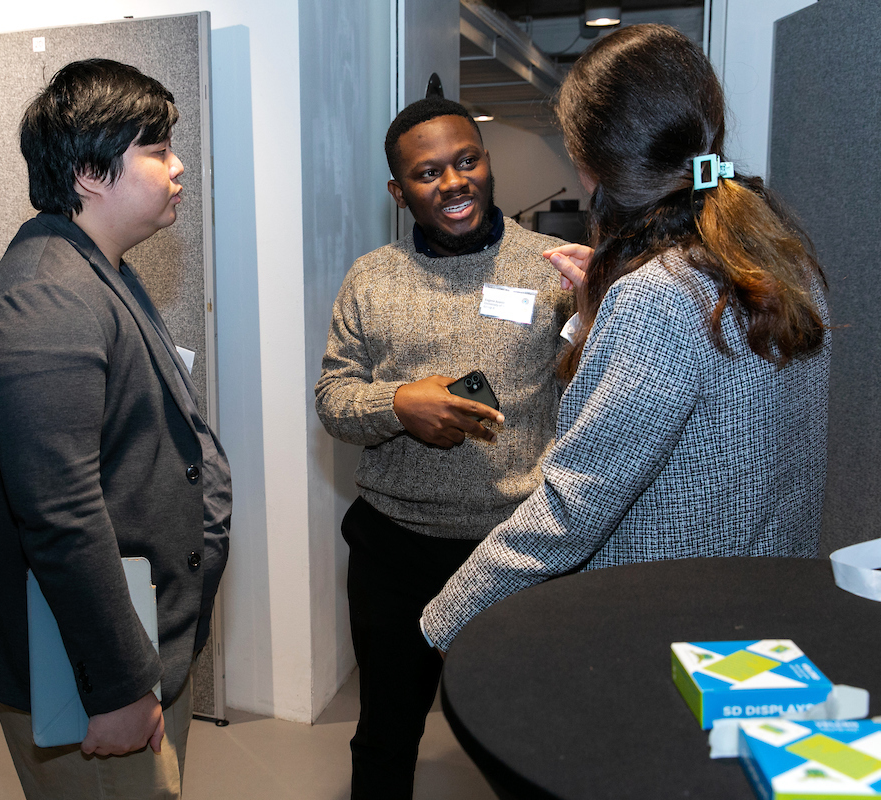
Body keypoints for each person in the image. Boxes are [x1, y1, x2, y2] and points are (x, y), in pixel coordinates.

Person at [422, 24, 830, 651]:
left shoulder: (655, 296)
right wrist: (603, 308)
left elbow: (572, 505)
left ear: (592, 167)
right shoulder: (781, 259)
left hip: (671, 629)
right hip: (767, 605)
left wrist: (442, 617)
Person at [0, 59, 230, 799]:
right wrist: (119, 684)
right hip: (90, 662)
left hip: (139, 636)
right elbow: (61, 512)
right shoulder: (46, 298)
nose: (177, 168)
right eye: (157, 150)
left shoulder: (97, 268)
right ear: (89, 173)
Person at [315, 96, 575, 799]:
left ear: (486, 163)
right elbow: (333, 399)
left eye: (467, 161)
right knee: (385, 735)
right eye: (427, 173)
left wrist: (599, 305)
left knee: (528, 736)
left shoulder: (552, 270)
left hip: (517, 550)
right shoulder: (371, 278)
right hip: (395, 549)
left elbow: (590, 395)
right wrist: (399, 405)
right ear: (399, 192)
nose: (454, 182)